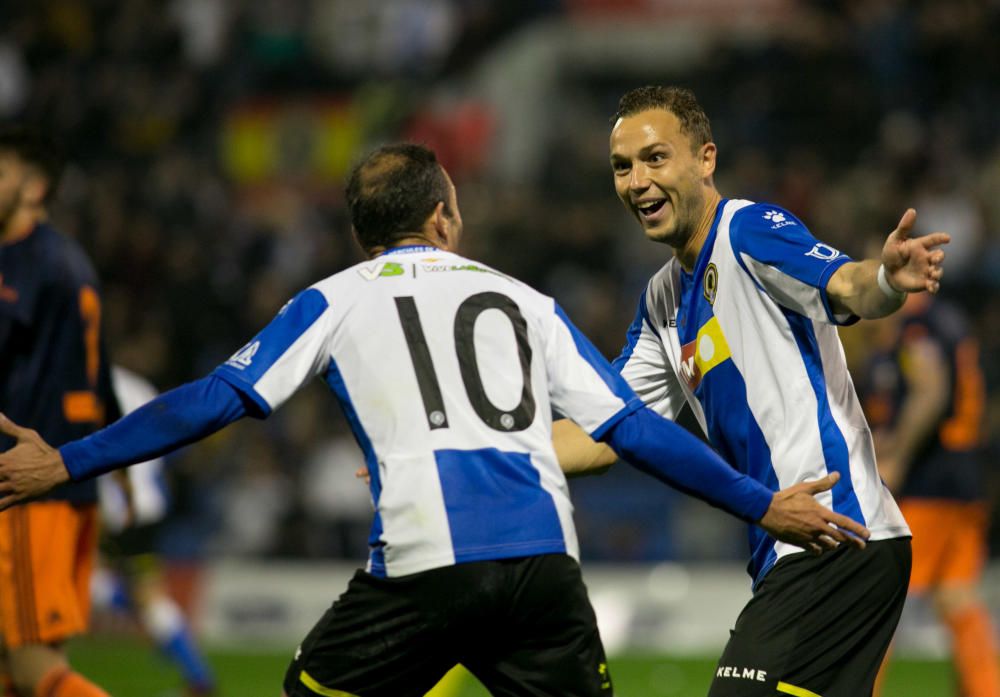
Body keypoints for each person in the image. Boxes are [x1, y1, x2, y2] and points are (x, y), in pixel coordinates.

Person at [0, 143, 866, 697]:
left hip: (422, 567)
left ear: (359, 234)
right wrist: (764, 503)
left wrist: (68, 463)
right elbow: (633, 429)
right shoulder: (526, 300)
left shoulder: (331, 299)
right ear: (443, 216)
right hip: (541, 570)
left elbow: (213, 398)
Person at [552, 86, 950, 697]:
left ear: (705, 159)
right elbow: (603, 433)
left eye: (656, 158)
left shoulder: (748, 230)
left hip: (837, 537)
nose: (637, 181)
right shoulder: (661, 301)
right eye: (622, 167)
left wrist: (886, 280)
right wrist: (473, 453)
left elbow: (845, 284)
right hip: (794, 548)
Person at [0, 127, 118, 697]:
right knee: (32, 661)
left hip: (29, 479)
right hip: (75, 478)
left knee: (24, 660)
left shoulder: (25, 265)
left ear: (33, 186)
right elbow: (104, 380)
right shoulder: (73, 263)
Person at [859, 293, 999, 697]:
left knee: (880, 595)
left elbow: (931, 390)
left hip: (928, 485)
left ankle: (857, 689)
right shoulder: (950, 321)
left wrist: (898, 456)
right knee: (957, 597)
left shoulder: (917, 328)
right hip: (963, 479)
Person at [93, 365, 216, 697]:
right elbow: (175, 440)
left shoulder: (90, 384)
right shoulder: (139, 385)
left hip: (119, 509)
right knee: (135, 593)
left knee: (101, 586)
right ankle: (198, 676)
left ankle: (200, 678)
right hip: (148, 504)